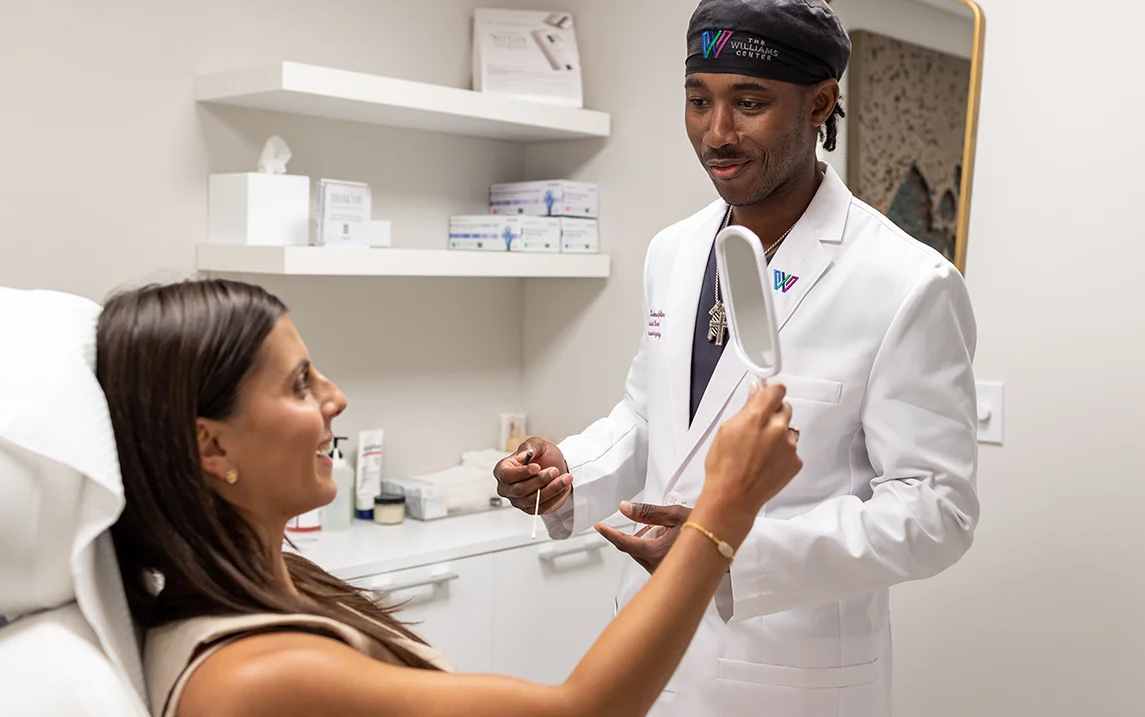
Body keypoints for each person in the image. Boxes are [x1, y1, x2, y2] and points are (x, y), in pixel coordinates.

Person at [493, 0, 980, 717]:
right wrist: (568, 469)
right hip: (651, 652)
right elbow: (653, 417)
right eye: (699, 100)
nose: (716, 131)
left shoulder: (906, 283)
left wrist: (724, 552)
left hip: (792, 673)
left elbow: (937, 511)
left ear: (819, 103)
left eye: (749, 102)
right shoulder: (674, 251)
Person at [94, 278, 802, 717]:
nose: (336, 398)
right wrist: (724, 507)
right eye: (300, 384)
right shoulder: (255, 676)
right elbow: (582, 713)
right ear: (211, 447)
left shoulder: (281, 582)